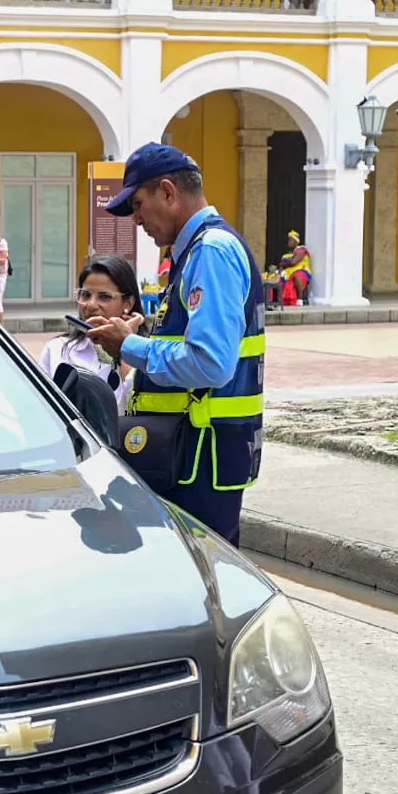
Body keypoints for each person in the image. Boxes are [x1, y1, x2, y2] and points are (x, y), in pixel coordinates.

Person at [84, 142, 265, 547]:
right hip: (192, 453)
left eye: (138, 204)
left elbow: (210, 363)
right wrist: (145, 334)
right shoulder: (197, 252)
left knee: (206, 581)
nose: (136, 220)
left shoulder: (210, 252)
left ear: (168, 192)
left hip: (201, 457)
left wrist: (130, 345)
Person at [38, 255, 142, 414]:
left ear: (128, 303)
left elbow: (137, 404)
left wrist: (127, 345)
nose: (91, 305)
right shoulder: (57, 349)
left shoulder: (147, 353)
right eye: (85, 295)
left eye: (104, 297)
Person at [278, 229, 312, 304]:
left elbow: (293, 262)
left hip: (302, 271)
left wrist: (285, 263)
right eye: (288, 240)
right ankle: (280, 301)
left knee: (297, 276)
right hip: (289, 272)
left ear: (296, 242)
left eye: (291, 240)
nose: (289, 242)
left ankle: (300, 300)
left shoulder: (302, 250)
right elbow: (280, 265)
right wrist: (281, 271)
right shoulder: (286, 255)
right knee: (278, 278)